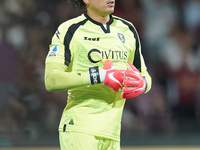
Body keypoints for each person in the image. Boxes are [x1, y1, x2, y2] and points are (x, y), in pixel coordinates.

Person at [44, 0, 152, 149]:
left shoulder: (128, 29)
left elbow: (144, 74)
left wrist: (143, 84)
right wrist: (100, 76)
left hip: (113, 133)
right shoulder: (69, 30)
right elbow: (51, 80)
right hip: (80, 129)